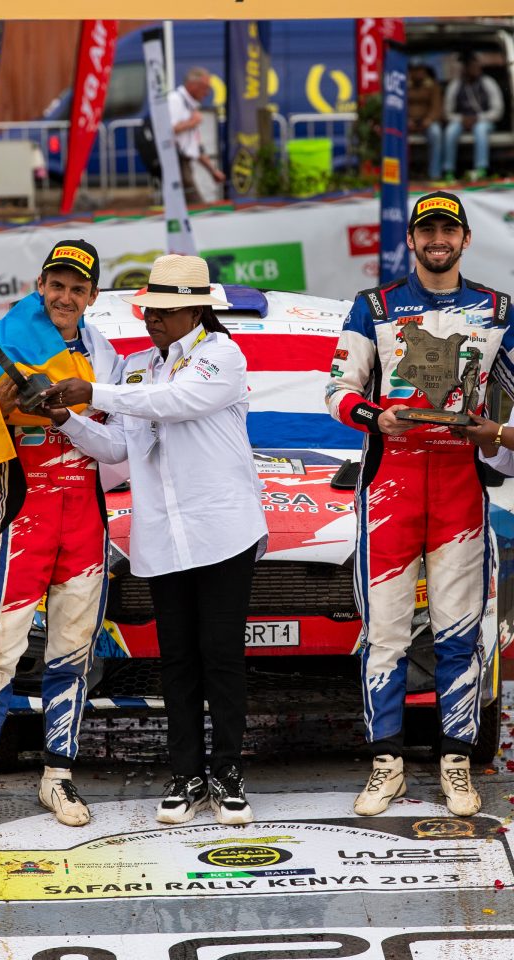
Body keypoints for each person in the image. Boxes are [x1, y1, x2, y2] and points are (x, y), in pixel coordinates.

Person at [40, 254, 267, 826]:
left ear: (195, 310)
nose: (152, 319)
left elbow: (177, 402)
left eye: (163, 310)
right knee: (177, 662)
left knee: (221, 657)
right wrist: (66, 418)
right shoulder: (138, 366)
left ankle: (228, 773)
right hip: (162, 535)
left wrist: (92, 390)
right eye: (148, 309)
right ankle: (186, 775)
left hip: (223, 531)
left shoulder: (222, 355)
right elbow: (118, 447)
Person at [325, 191, 514, 818]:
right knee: (385, 634)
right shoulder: (375, 306)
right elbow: (337, 390)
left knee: (459, 632)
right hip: (391, 486)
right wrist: (376, 417)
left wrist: (496, 431)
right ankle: (386, 764)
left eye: (448, 230)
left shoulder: (498, 310)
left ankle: (455, 763)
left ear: (464, 240)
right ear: (411, 239)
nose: (438, 239)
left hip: (460, 486)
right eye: (427, 229)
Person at [0, 239, 122, 838]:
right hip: (26, 512)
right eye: (56, 285)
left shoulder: (104, 353)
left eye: (77, 289)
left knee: (72, 651)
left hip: (85, 517)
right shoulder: (12, 336)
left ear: (92, 296)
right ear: (41, 285)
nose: (64, 297)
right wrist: (2, 401)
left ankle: (58, 775)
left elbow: (119, 438)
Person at [442, 51, 504, 182]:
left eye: (475, 65)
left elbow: (498, 111)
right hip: (461, 120)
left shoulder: (488, 82)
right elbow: (447, 112)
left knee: (480, 129)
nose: (473, 69)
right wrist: (461, 119)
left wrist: (478, 118)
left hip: (484, 120)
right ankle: (449, 170)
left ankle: (481, 169)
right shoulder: (455, 85)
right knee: (450, 131)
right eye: (469, 66)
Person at [168, 67, 226, 205]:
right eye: (205, 88)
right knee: (197, 206)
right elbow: (167, 131)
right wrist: (192, 122)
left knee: (190, 206)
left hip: (184, 163)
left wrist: (212, 171)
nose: (207, 93)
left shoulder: (190, 105)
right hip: (175, 162)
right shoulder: (175, 100)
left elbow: (195, 146)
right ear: (193, 85)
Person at [408, 59, 443, 181]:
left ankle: (435, 174)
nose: (418, 73)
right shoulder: (404, 85)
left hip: (427, 122)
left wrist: (429, 119)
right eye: (415, 70)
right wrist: (406, 120)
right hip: (408, 122)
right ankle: (402, 173)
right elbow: (399, 106)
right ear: (411, 72)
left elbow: (437, 107)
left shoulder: (432, 86)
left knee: (436, 132)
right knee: (395, 134)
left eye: (420, 70)